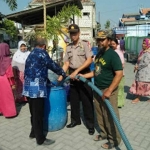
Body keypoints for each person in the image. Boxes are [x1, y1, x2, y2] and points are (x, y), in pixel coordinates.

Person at [79, 31, 123, 149]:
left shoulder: (113, 55)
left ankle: (114, 140)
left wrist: (109, 90)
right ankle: (104, 134)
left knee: (110, 115)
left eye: (102, 39)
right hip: (97, 89)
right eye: (98, 40)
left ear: (108, 40)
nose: (100, 42)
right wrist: (84, 76)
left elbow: (119, 74)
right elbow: (96, 71)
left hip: (109, 90)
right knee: (100, 114)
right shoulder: (99, 54)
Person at [22, 38, 66, 145]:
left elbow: (37, 69)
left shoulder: (31, 53)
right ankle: (40, 139)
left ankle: (33, 133)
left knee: (33, 111)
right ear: (44, 46)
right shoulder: (42, 53)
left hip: (28, 87)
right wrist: (62, 72)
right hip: (36, 87)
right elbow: (52, 65)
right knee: (38, 113)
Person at [58, 24, 95, 135]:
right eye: (71, 33)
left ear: (78, 33)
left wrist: (77, 71)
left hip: (83, 74)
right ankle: (75, 120)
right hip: (72, 76)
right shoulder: (68, 47)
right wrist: (61, 75)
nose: (73, 35)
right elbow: (66, 63)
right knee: (74, 99)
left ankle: (90, 125)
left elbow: (89, 61)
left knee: (87, 101)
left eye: (75, 33)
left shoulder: (84, 44)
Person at [130, 38, 150, 104]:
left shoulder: (148, 53)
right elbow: (138, 61)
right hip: (140, 71)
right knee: (141, 84)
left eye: (144, 43)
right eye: (142, 43)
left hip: (145, 72)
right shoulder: (142, 52)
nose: (142, 44)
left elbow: (145, 63)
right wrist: (136, 65)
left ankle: (138, 98)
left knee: (142, 85)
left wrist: (137, 67)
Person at [0, 43, 17, 118]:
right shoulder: (8, 60)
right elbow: (10, 74)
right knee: (8, 97)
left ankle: (1, 111)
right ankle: (10, 113)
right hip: (6, 81)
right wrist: (13, 84)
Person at [111, 38, 125, 108]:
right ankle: (120, 103)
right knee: (120, 89)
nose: (112, 45)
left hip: (119, 74)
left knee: (119, 89)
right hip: (117, 74)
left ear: (117, 44)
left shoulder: (118, 53)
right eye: (111, 44)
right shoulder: (113, 52)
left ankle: (118, 104)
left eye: (113, 44)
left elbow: (122, 64)